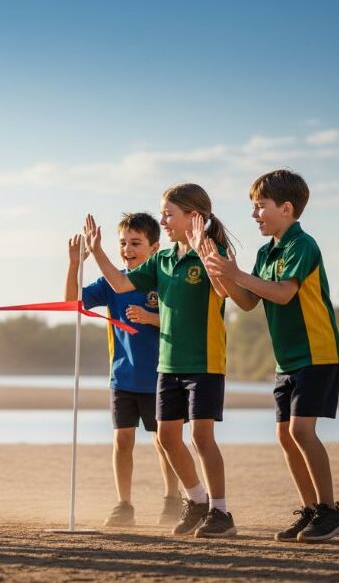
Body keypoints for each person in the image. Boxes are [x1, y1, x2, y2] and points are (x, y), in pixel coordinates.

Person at [83, 183, 237, 538]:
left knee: (201, 436)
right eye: (163, 213)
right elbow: (121, 284)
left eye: (169, 214)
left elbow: (227, 292)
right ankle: (196, 500)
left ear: (193, 217)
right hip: (167, 365)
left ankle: (221, 510)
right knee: (168, 438)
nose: (163, 220)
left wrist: (204, 251)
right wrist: (97, 252)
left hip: (204, 361)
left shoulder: (214, 251)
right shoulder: (162, 259)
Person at [204, 169, 339, 543]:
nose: (254, 214)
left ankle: (331, 512)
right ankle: (312, 509)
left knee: (301, 430)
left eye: (259, 206)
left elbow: (283, 293)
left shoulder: (302, 245)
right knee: (285, 436)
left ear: (286, 208)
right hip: (287, 360)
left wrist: (236, 272)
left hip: (317, 352)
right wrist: (220, 274)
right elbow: (249, 301)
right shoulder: (267, 252)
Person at [65, 213, 180, 527]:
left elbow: (182, 320)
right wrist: (76, 263)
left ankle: (173, 497)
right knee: (122, 441)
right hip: (123, 377)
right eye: (123, 243)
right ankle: (124, 504)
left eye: (136, 243)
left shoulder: (163, 279)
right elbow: (72, 302)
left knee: (164, 440)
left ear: (155, 247)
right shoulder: (109, 282)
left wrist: (149, 316)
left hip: (160, 376)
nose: (128, 249)